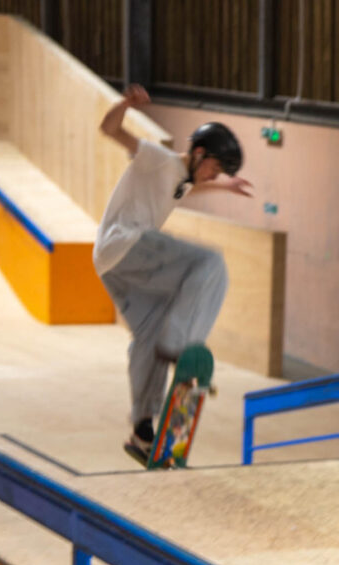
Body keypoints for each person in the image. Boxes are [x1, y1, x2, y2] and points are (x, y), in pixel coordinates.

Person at [94, 83, 252, 461]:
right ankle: (183, 343)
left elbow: (185, 189)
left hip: (111, 265)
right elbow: (110, 130)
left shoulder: (180, 181)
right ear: (198, 153)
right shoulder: (158, 159)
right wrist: (126, 104)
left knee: (149, 336)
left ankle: (142, 429)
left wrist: (225, 186)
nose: (213, 175)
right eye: (215, 168)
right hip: (129, 243)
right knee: (210, 265)